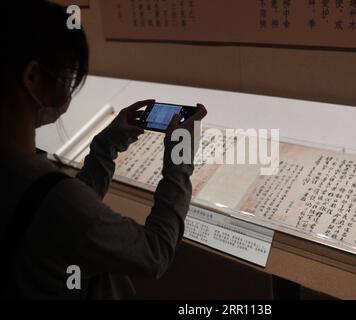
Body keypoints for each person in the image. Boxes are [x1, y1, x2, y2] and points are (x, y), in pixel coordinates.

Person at [0, 1, 207, 299]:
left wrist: (105, 146)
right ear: (32, 77)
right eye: (68, 74)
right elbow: (154, 254)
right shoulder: (57, 199)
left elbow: (58, 218)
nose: (70, 87)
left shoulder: (24, 175)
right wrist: (179, 161)